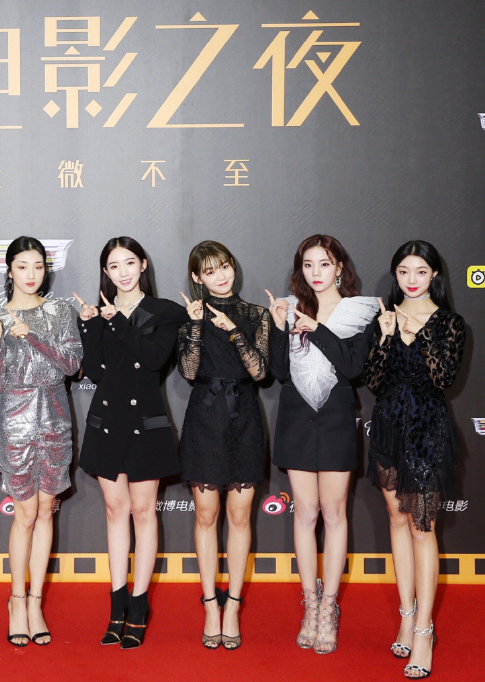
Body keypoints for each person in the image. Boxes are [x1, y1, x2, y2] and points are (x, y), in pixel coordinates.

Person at [74, 236, 188, 650]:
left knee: (143, 511)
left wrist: (118, 321)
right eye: (113, 266)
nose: (122, 272)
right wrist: (90, 326)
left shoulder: (165, 311)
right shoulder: (100, 313)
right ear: (105, 272)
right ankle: (117, 605)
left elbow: (154, 359)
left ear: (142, 265)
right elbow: (96, 370)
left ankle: (139, 607)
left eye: (128, 263)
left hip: (146, 424)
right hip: (107, 421)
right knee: (114, 510)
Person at [267, 234, 378, 655]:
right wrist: (279, 327)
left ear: (340, 268)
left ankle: (329, 607)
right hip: (296, 416)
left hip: (335, 417)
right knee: (305, 513)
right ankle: (310, 605)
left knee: (333, 514)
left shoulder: (359, 311)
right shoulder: (289, 308)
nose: (316, 272)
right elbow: (279, 372)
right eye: (308, 264)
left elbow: (353, 367)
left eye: (324, 264)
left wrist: (318, 330)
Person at [364, 240, 465, 680]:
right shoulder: (383, 319)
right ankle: (406, 614)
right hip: (388, 426)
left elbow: (443, 377)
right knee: (396, 519)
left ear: (434, 275)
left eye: (421, 271)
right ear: (395, 274)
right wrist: (387, 336)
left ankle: (424, 630)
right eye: (404, 271)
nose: (411, 279)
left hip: (427, 429)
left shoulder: (450, 323)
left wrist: (416, 334)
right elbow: (372, 381)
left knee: (422, 528)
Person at [0, 236, 83, 648]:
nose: (30, 274)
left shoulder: (60, 311)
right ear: (9, 270)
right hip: (15, 420)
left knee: (45, 511)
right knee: (25, 513)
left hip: (55, 417)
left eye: (38, 266)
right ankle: (16, 601)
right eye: (22, 266)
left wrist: (34, 335)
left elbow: (72, 365)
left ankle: (36, 601)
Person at [176, 241, 270, 650]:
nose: (221, 276)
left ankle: (232, 606)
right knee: (205, 515)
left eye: (225, 266)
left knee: (240, 516)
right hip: (205, 417)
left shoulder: (255, 315)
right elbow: (188, 370)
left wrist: (232, 330)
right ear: (197, 277)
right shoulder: (189, 319)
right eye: (210, 271)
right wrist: (197, 325)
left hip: (244, 416)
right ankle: (210, 606)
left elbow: (260, 371)